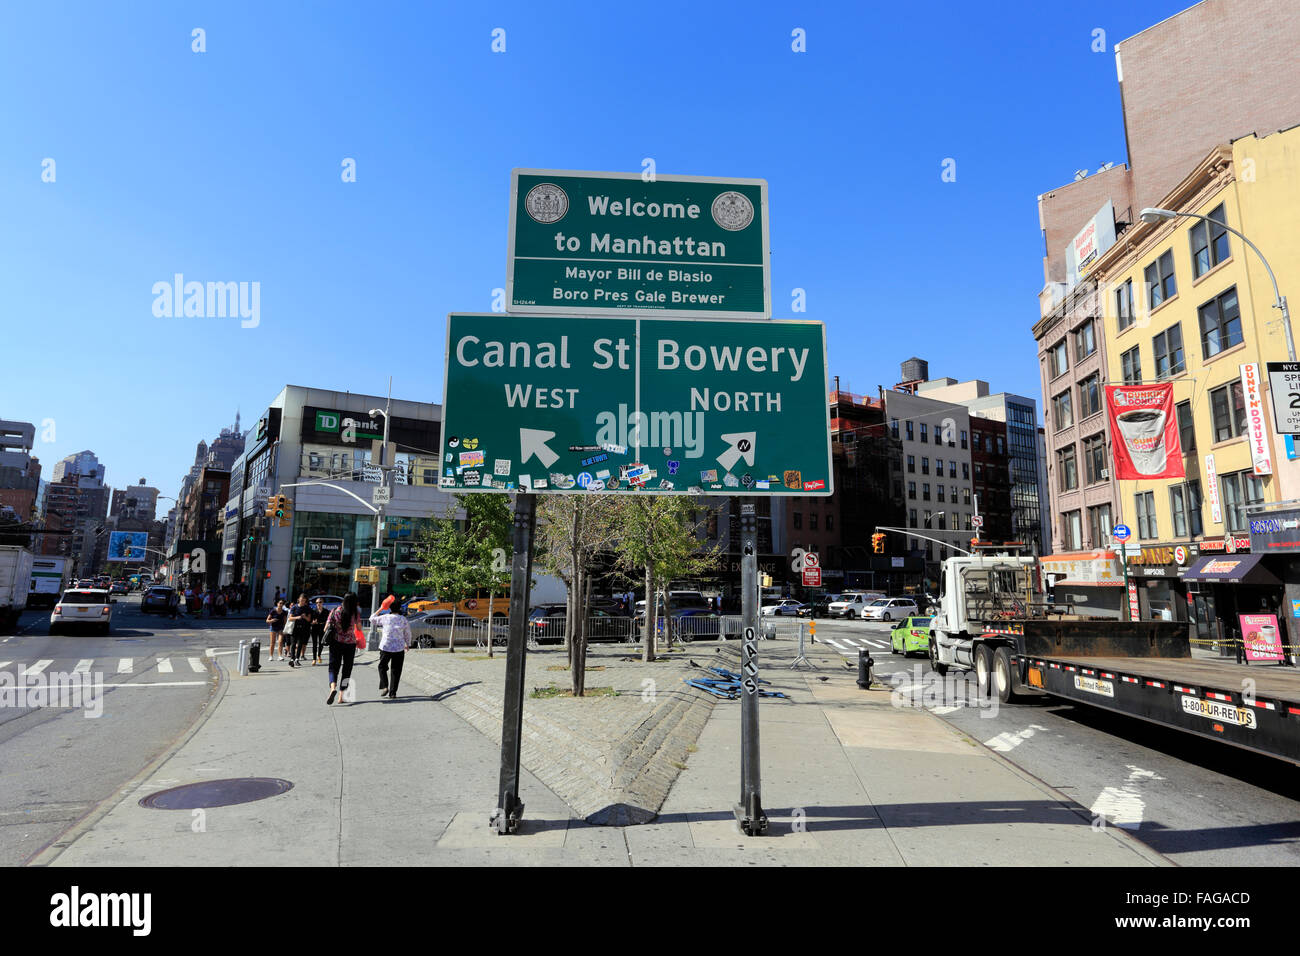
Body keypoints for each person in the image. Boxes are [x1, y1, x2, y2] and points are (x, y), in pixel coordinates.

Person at [326, 592, 364, 705]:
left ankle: (333, 687)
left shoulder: (334, 611)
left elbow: (326, 628)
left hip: (336, 643)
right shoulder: (355, 613)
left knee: (333, 668)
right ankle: (341, 697)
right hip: (350, 644)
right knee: (347, 670)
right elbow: (360, 628)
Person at [373, 594, 411, 698]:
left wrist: (381, 608)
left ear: (389, 607)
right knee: (396, 670)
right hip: (399, 648)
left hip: (386, 647)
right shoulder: (403, 619)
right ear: (399, 608)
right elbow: (407, 633)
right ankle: (393, 693)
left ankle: (385, 685)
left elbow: (371, 619)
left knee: (382, 666)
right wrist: (407, 644)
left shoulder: (385, 617)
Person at [287, 593, 311, 667]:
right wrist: (297, 617)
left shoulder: (307, 608)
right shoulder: (294, 607)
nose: (302, 601)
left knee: (300, 643)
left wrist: (304, 617)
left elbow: (309, 619)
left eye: (304, 600)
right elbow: (290, 618)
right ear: (298, 599)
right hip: (295, 627)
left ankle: (297, 659)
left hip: (303, 628)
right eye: (301, 599)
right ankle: (292, 659)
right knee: (293, 643)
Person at [310, 596, 328, 665]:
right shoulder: (313, 611)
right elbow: (310, 621)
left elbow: (328, 621)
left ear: (322, 603)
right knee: (314, 644)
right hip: (314, 628)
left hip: (322, 628)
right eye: (317, 602)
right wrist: (312, 622)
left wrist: (324, 624)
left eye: (320, 602)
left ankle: (319, 655)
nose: (318, 603)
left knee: (321, 643)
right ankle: (314, 659)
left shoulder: (326, 611)